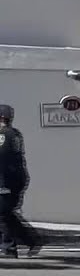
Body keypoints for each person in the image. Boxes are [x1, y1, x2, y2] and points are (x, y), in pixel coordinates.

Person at [0, 104, 42, 258]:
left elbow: (2, 158)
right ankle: (31, 241)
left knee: (2, 214)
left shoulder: (3, 135)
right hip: (15, 178)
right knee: (6, 214)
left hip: (6, 180)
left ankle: (9, 248)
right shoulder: (15, 133)